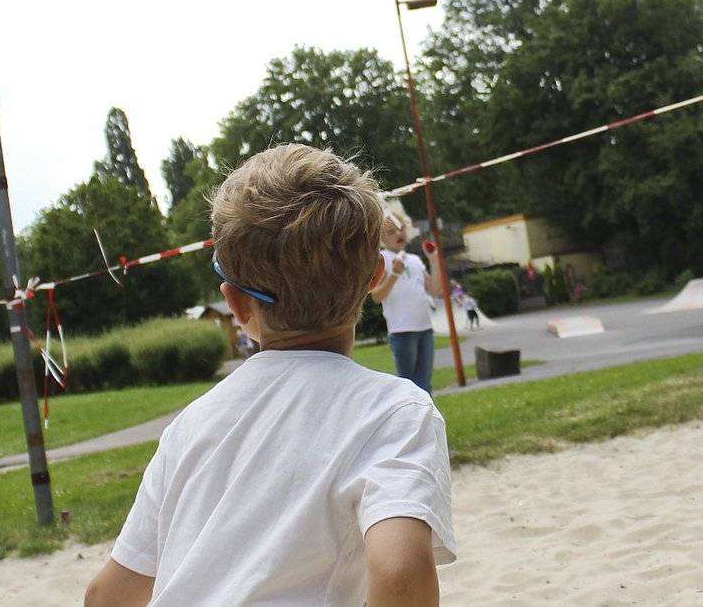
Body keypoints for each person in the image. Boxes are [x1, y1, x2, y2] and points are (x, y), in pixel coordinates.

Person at [85, 144, 455, 606]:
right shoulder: (394, 411)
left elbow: (107, 595)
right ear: (373, 275)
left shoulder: (192, 426)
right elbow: (401, 571)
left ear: (237, 305)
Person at [369, 208, 443, 393]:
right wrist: (394, 274)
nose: (399, 234)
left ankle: (429, 422)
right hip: (402, 332)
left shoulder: (415, 260)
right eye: (391, 232)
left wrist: (433, 260)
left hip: (424, 329)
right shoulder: (382, 260)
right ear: (381, 238)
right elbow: (376, 296)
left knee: (425, 384)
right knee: (409, 387)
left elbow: (435, 290)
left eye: (401, 228)